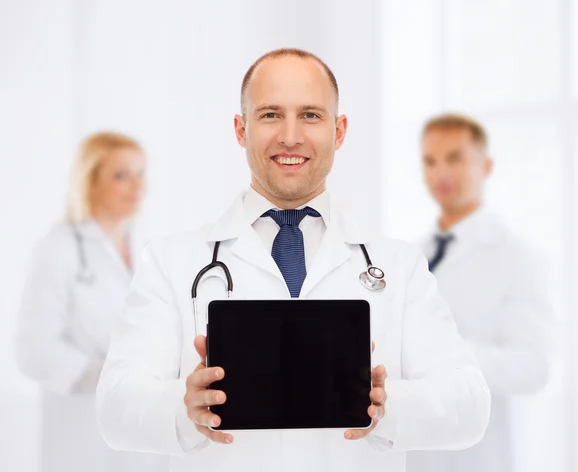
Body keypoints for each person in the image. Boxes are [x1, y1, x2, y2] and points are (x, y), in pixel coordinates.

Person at [96, 49, 491, 472]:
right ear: (240, 128)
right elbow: (114, 409)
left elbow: (469, 406)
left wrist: (386, 403)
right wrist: (184, 405)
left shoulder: (399, 266)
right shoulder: (170, 262)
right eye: (269, 115)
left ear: (339, 131)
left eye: (310, 115)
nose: (289, 136)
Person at [406, 114, 555, 472]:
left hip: (482, 456)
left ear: (486, 165)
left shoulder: (518, 255)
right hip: (417, 450)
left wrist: (446, 356)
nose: (440, 172)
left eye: (455, 158)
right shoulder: (411, 255)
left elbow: (534, 367)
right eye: (430, 161)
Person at [15, 132, 168, 472]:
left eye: (140, 173)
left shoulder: (149, 247)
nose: (137, 185)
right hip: (80, 426)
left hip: (141, 422)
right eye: (121, 175)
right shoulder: (58, 249)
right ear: (91, 182)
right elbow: (32, 349)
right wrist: (98, 375)